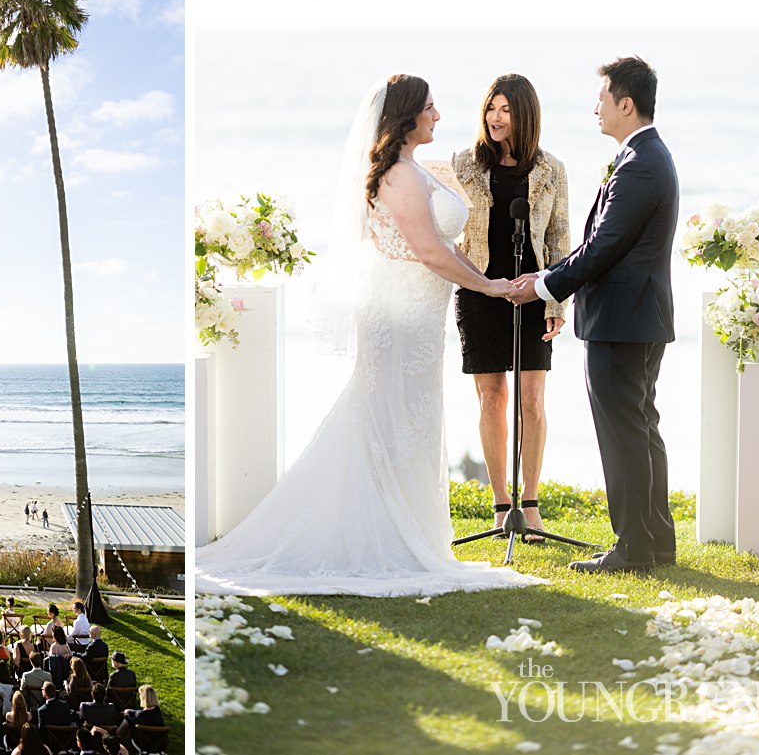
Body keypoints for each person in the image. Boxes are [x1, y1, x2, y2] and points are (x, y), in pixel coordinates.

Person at [195, 74, 544, 596]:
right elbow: (429, 252)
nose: (439, 115)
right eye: (430, 107)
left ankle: (412, 532)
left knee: (410, 419)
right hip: (398, 314)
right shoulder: (400, 177)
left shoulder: (414, 169)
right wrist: (489, 288)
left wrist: (489, 276)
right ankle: (381, 535)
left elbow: (443, 243)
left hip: (420, 317)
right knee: (387, 419)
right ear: (407, 116)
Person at [509, 56, 678, 573]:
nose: (596, 108)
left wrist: (542, 284)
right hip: (636, 317)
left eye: (602, 99)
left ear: (626, 104)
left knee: (624, 431)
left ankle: (632, 548)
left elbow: (603, 246)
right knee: (640, 426)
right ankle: (655, 542)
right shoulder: (645, 157)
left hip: (623, 320)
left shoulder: (641, 163)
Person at [452, 74, 570, 541]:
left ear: (525, 115)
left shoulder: (551, 169)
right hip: (481, 294)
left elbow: (560, 240)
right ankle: (501, 505)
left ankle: (532, 504)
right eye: (490, 108)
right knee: (491, 397)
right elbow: (449, 235)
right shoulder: (464, 165)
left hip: (534, 293)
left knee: (533, 401)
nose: (496, 118)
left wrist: (557, 299)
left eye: (506, 110)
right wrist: (481, 282)